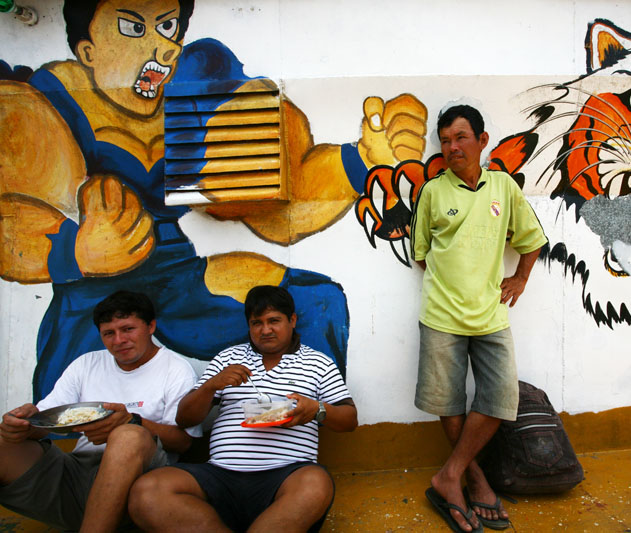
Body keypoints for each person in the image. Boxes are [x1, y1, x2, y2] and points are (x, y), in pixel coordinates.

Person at [0, 0, 426, 402]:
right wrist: (72, 249)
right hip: (93, 288)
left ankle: (302, 425)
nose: (161, 46)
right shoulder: (45, 100)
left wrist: (359, 160)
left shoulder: (201, 84)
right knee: (61, 415)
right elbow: (13, 219)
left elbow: (281, 209)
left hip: (178, 275)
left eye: (169, 27)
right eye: (133, 27)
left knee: (316, 300)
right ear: (88, 49)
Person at [410, 105, 548, 532]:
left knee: (500, 396)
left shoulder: (503, 187)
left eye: (461, 137)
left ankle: (448, 475)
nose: (452, 147)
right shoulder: (432, 192)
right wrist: (451, 282)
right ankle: (473, 478)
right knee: (448, 402)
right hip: (441, 315)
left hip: (490, 313)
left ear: (482, 141)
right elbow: (420, 254)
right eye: (445, 140)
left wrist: (520, 278)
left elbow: (532, 239)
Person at [129, 285, 358, 533]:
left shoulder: (318, 363)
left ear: (292, 320)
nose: (265, 330)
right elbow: (184, 418)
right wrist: (211, 385)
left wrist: (317, 410)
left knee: (316, 484)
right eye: (256, 323)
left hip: (287, 477)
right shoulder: (228, 358)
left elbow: (349, 420)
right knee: (147, 492)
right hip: (219, 475)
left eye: (274, 321)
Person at [0, 290, 201, 532]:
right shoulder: (86, 364)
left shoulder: (175, 369)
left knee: (128, 435)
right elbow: (46, 422)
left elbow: (183, 442)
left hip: (141, 483)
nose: (119, 340)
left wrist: (132, 420)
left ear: (151, 326)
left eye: (128, 329)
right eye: (109, 333)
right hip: (77, 473)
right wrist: (21, 425)